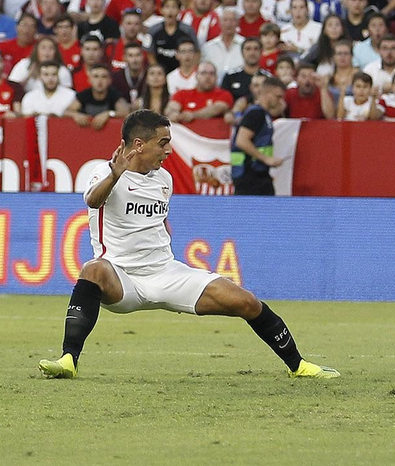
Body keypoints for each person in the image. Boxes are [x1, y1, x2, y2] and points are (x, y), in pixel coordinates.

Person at [37, 109, 337, 380]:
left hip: (166, 273)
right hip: (122, 278)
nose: (168, 150)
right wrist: (116, 175)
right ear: (139, 145)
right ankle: (68, 359)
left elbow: (158, 221)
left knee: (247, 301)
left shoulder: (164, 179)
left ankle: (299, 366)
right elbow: (92, 200)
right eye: (163, 143)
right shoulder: (104, 173)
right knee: (93, 268)